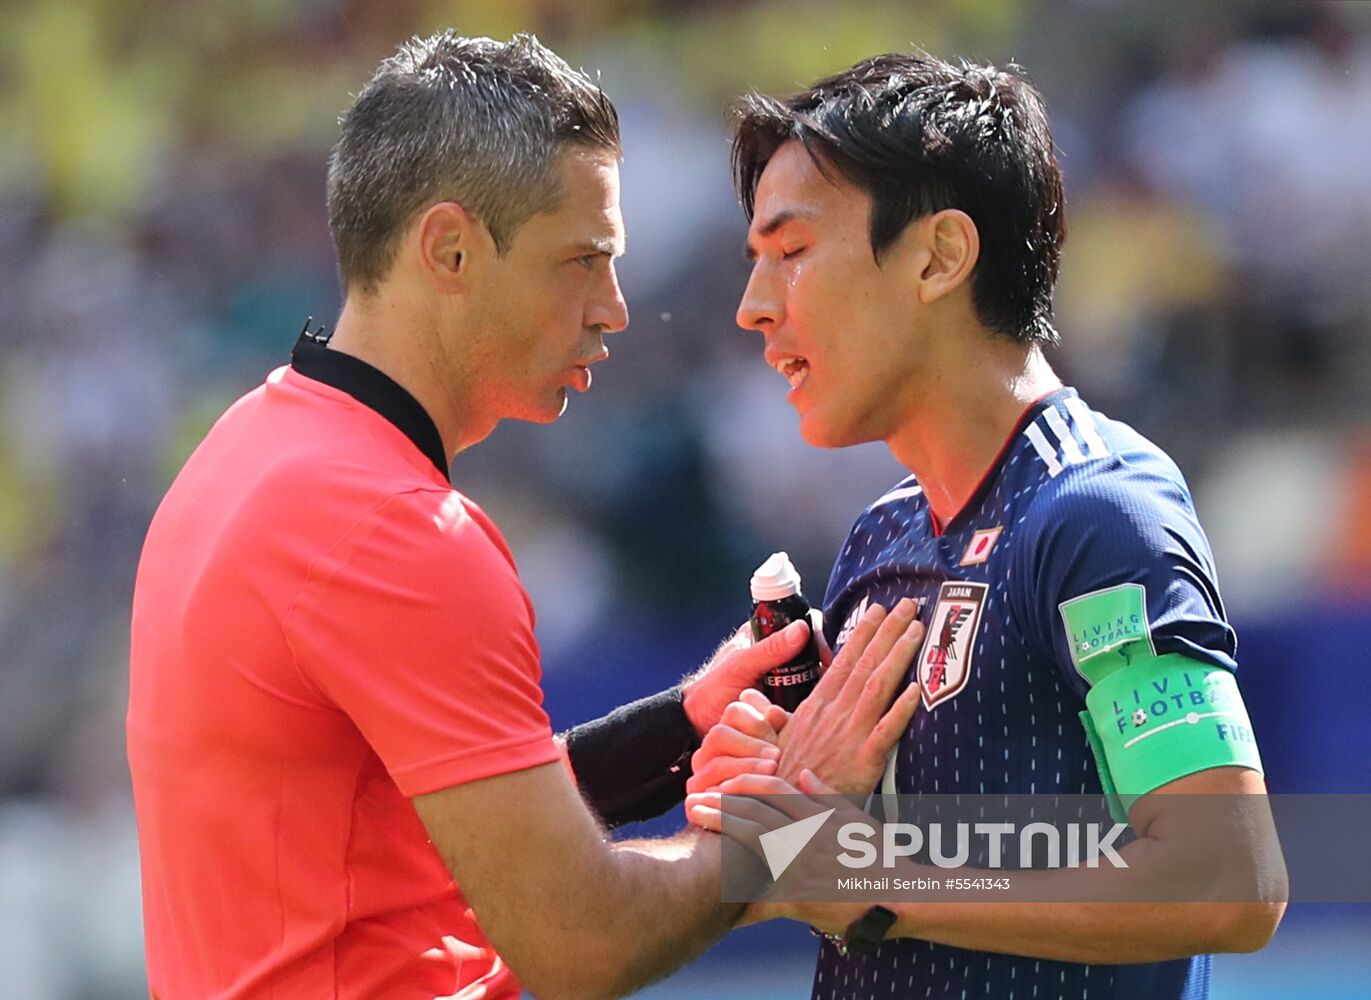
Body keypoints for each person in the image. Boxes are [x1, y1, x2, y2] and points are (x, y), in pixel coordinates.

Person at [126, 32, 927, 999]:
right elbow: (580, 942)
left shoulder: (247, 449)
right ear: (451, 249)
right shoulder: (398, 532)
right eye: (582, 260)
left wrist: (679, 723)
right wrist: (794, 827)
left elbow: (440, 822)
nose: (616, 308)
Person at [683, 52, 1286, 999]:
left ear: (938, 256)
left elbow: (1228, 878)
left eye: (790, 252)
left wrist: (887, 885)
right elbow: (832, 880)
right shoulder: (879, 541)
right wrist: (770, 814)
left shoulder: (1098, 514)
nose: (753, 307)